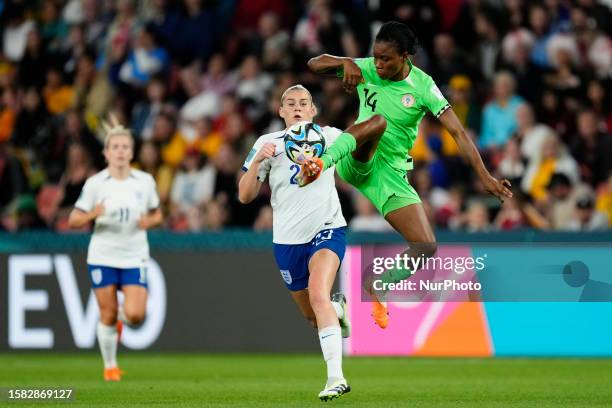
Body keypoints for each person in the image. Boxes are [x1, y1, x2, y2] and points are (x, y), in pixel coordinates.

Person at [301, 21, 513, 328]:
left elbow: (459, 132)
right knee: (377, 122)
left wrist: (485, 176)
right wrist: (344, 62)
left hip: (390, 173)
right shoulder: (367, 68)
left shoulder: (424, 86)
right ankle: (321, 162)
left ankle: (380, 283)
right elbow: (313, 63)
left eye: (385, 59)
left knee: (426, 245)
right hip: (357, 158)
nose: (378, 64)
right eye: (375, 57)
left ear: (405, 56)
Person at [238, 84, 386, 401]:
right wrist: (255, 165)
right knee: (312, 314)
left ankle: (336, 378)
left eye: (303, 103)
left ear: (313, 110)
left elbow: (364, 139)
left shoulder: (330, 137)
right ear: (280, 112)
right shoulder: (267, 143)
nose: (296, 107)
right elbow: (245, 195)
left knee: (318, 294)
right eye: (290, 103)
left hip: (328, 228)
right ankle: (338, 310)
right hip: (287, 241)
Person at [68, 116, 163, 381]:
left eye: (125, 146)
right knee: (107, 312)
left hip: (134, 255)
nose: (120, 151)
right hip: (103, 254)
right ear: (106, 152)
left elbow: (158, 215)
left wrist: (149, 221)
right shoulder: (96, 184)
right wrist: (92, 214)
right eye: (115, 147)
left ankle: (121, 320)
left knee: (135, 315)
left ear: (131, 152)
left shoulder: (144, 182)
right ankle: (110, 366)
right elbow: (73, 220)